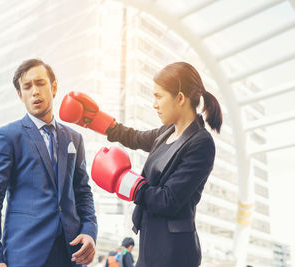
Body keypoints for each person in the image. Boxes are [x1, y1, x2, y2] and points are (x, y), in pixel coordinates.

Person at [60, 61, 222, 267]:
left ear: (180, 98)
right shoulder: (166, 132)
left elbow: (168, 200)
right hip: (150, 243)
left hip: (175, 253)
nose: (154, 104)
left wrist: (122, 180)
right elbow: (133, 137)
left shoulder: (201, 143)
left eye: (158, 96)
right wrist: (92, 119)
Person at [0, 59, 97, 267]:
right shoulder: (8, 136)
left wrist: (89, 231)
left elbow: (83, 192)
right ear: (20, 95)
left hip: (71, 253)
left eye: (40, 83)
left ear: (53, 87)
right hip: (26, 253)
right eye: (27, 86)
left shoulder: (74, 139)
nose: (35, 91)